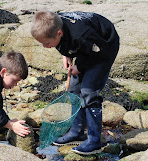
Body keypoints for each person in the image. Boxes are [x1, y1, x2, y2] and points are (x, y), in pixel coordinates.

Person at [31, 11, 120, 155]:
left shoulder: (81, 35)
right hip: (88, 46)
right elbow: (70, 43)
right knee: (74, 88)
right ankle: (76, 132)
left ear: (59, 33)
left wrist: (80, 67)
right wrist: (66, 54)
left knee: (89, 92)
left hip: (105, 45)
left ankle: (94, 140)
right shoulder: (55, 24)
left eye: (46, 43)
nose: (44, 46)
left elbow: (99, 52)